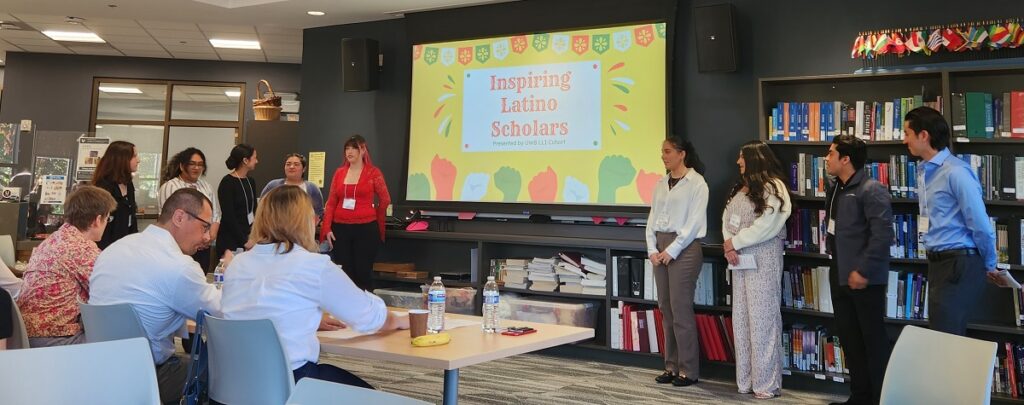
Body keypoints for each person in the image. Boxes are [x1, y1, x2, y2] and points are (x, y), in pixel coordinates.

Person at [222, 186, 408, 387]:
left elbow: (257, 310)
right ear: (304, 222)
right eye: (314, 217)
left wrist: (307, 317)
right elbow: (368, 317)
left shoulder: (237, 265)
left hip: (234, 384)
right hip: (290, 385)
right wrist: (398, 321)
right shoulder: (313, 266)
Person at [89, 188, 223, 404]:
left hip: (100, 372)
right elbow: (222, 311)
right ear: (179, 217)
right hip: (146, 376)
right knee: (225, 368)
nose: (207, 237)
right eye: (204, 226)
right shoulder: (178, 266)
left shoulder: (115, 249)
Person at [902, 106, 998, 335]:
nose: (904, 139)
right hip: (938, 264)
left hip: (958, 263)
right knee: (942, 333)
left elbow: (980, 223)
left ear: (924, 135)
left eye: (907, 133)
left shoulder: (956, 172)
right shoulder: (924, 171)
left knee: (947, 337)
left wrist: (990, 263)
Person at [823, 135, 893, 405]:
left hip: (865, 280)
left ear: (845, 159)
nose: (826, 159)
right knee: (850, 341)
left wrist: (863, 270)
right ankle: (860, 397)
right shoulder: (836, 188)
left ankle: (880, 399)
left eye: (831, 154)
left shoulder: (871, 190)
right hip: (839, 275)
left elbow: (882, 236)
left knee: (872, 343)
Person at [722, 140, 791, 399]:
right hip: (738, 261)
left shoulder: (775, 188)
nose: (738, 162)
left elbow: (767, 226)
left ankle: (766, 384)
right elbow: (727, 220)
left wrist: (735, 243)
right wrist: (729, 246)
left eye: (742, 157)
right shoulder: (739, 189)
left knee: (763, 322)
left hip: (763, 260)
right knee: (742, 322)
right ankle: (746, 381)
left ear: (755, 159)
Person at [16, 186, 117, 347]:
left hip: (26, 334)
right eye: (107, 219)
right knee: (125, 343)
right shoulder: (81, 248)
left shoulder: (55, 239)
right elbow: (111, 292)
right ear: (97, 220)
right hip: (55, 338)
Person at [646, 136, 708, 388]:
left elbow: (693, 224)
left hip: (684, 248)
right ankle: (670, 366)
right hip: (660, 246)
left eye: (668, 151)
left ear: (682, 153)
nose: (663, 156)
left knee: (681, 310)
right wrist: (651, 248)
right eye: (662, 151)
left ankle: (688, 370)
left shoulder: (697, 183)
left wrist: (672, 250)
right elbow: (652, 218)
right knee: (666, 309)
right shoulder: (661, 183)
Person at [321, 135, 391, 291]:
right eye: (347, 148)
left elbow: (385, 199)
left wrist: (377, 220)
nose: (349, 151)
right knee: (344, 272)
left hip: (366, 228)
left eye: (354, 148)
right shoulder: (339, 173)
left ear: (363, 150)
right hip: (340, 228)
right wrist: (327, 228)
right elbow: (331, 202)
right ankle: (347, 310)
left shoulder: (373, 172)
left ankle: (365, 310)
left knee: (362, 272)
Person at [159, 147, 221, 272]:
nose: (196, 168)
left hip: (204, 245)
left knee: (200, 275)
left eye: (200, 165)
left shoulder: (206, 186)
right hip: (179, 246)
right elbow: (168, 218)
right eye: (192, 164)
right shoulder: (170, 186)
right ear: (182, 166)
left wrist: (210, 236)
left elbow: (216, 214)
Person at [92, 140, 139, 249]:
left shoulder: (128, 184)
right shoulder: (104, 187)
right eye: (134, 156)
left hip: (126, 246)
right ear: (121, 159)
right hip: (106, 248)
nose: (138, 160)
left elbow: (131, 218)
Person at [217, 143, 258, 258]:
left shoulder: (251, 181)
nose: (257, 161)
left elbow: (254, 209)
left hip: (249, 236)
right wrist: (244, 241)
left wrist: (253, 235)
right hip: (231, 238)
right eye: (254, 158)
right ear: (245, 160)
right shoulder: (227, 182)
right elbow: (229, 216)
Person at [260, 153, 324, 223]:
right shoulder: (273, 185)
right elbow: (262, 206)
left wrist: (310, 227)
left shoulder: (312, 188)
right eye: (288, 164)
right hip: (275, 230)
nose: (291, 166)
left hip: (302, 231)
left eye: (296, 164)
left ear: (304, 169)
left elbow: (318, 211)